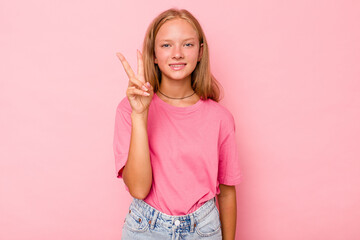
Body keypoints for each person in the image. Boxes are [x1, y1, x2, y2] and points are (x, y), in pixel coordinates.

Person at [113, 8, 243, 240]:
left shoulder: (220, 118)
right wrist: (140, 116)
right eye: (166, 45)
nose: (177, 54)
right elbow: (139, 189)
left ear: (200, 52)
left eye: (188, 45)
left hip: (204, 229)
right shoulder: (129, 109)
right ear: (153, 54)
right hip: (145, 229)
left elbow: (226, 193)